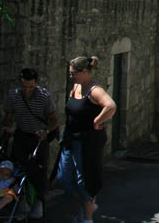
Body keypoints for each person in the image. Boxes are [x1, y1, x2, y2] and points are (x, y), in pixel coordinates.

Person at [57, 56, 117, 223]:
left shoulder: (94, 90)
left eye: (73, 74)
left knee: (84, 179)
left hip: (86, 142)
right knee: (63, 179)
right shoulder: (76, 87)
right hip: (70, 139)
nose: (71, 77)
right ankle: (88, 203)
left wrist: (98, 121)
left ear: (85, 72)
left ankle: (87, 217)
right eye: (70, 74)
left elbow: (111, 106)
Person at [2, 68, 59, 219]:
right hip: (22, 135)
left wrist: (46, 131)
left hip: (39, 137)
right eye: (24, 87)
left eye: (31, 87)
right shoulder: (13, 96)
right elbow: (9, 116)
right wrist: (8, 126)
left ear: (36, 84)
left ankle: (39, 202)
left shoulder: (44, 96)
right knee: (19, 169)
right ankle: (21, 202)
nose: (27, 90)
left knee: (39, 171)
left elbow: (54, 120)